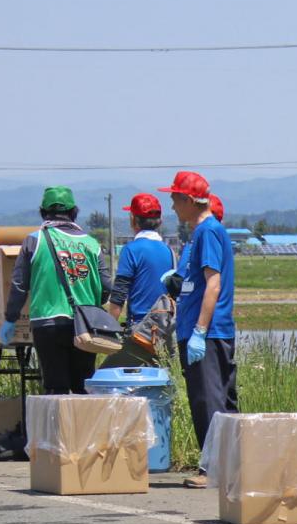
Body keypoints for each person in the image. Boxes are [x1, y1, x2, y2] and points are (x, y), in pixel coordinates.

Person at [159, 171, 238, 489]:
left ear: (190, 200)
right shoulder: (204, 232)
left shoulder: (207, 231)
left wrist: (200, 330)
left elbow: (213, 283)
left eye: (176, 199)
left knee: (209, 400)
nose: (173, 206)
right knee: (214, 398)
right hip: (204, 328)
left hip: (207, 330)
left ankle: (214, 469)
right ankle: (223, 464)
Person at [2, 186, 111, 394]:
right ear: (74, 212)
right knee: (82, 387)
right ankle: (81, 427)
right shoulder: (91, 243)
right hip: (85, 326)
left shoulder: (35, 240)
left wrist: (10, 318)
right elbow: (106, 287)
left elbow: (19, 285)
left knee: (56, 388)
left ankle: (58, 427)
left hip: (47, 323)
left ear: (43, 212)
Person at [102, 194, 176, 368]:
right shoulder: (169, 251)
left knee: (105, 377)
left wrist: (107, 330)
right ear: (161, 221)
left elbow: (119, 294)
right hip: (165, 330)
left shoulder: (131, 250)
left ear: (133, 220)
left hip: (140, 331)